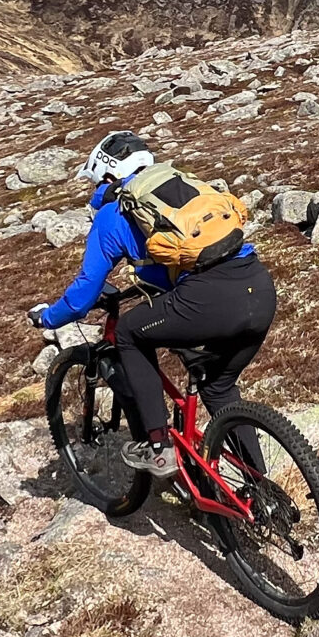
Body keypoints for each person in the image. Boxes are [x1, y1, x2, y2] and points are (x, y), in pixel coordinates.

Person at [28, 131, 273, 478]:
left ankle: (159, 447)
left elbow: (84, 293)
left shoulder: (114, 213)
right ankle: (260, 490)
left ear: (109, 178)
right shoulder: (178, 187)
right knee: (218, 386)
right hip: (258, 286)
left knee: (128, 332)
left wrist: (48, 317)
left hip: (209, 298)